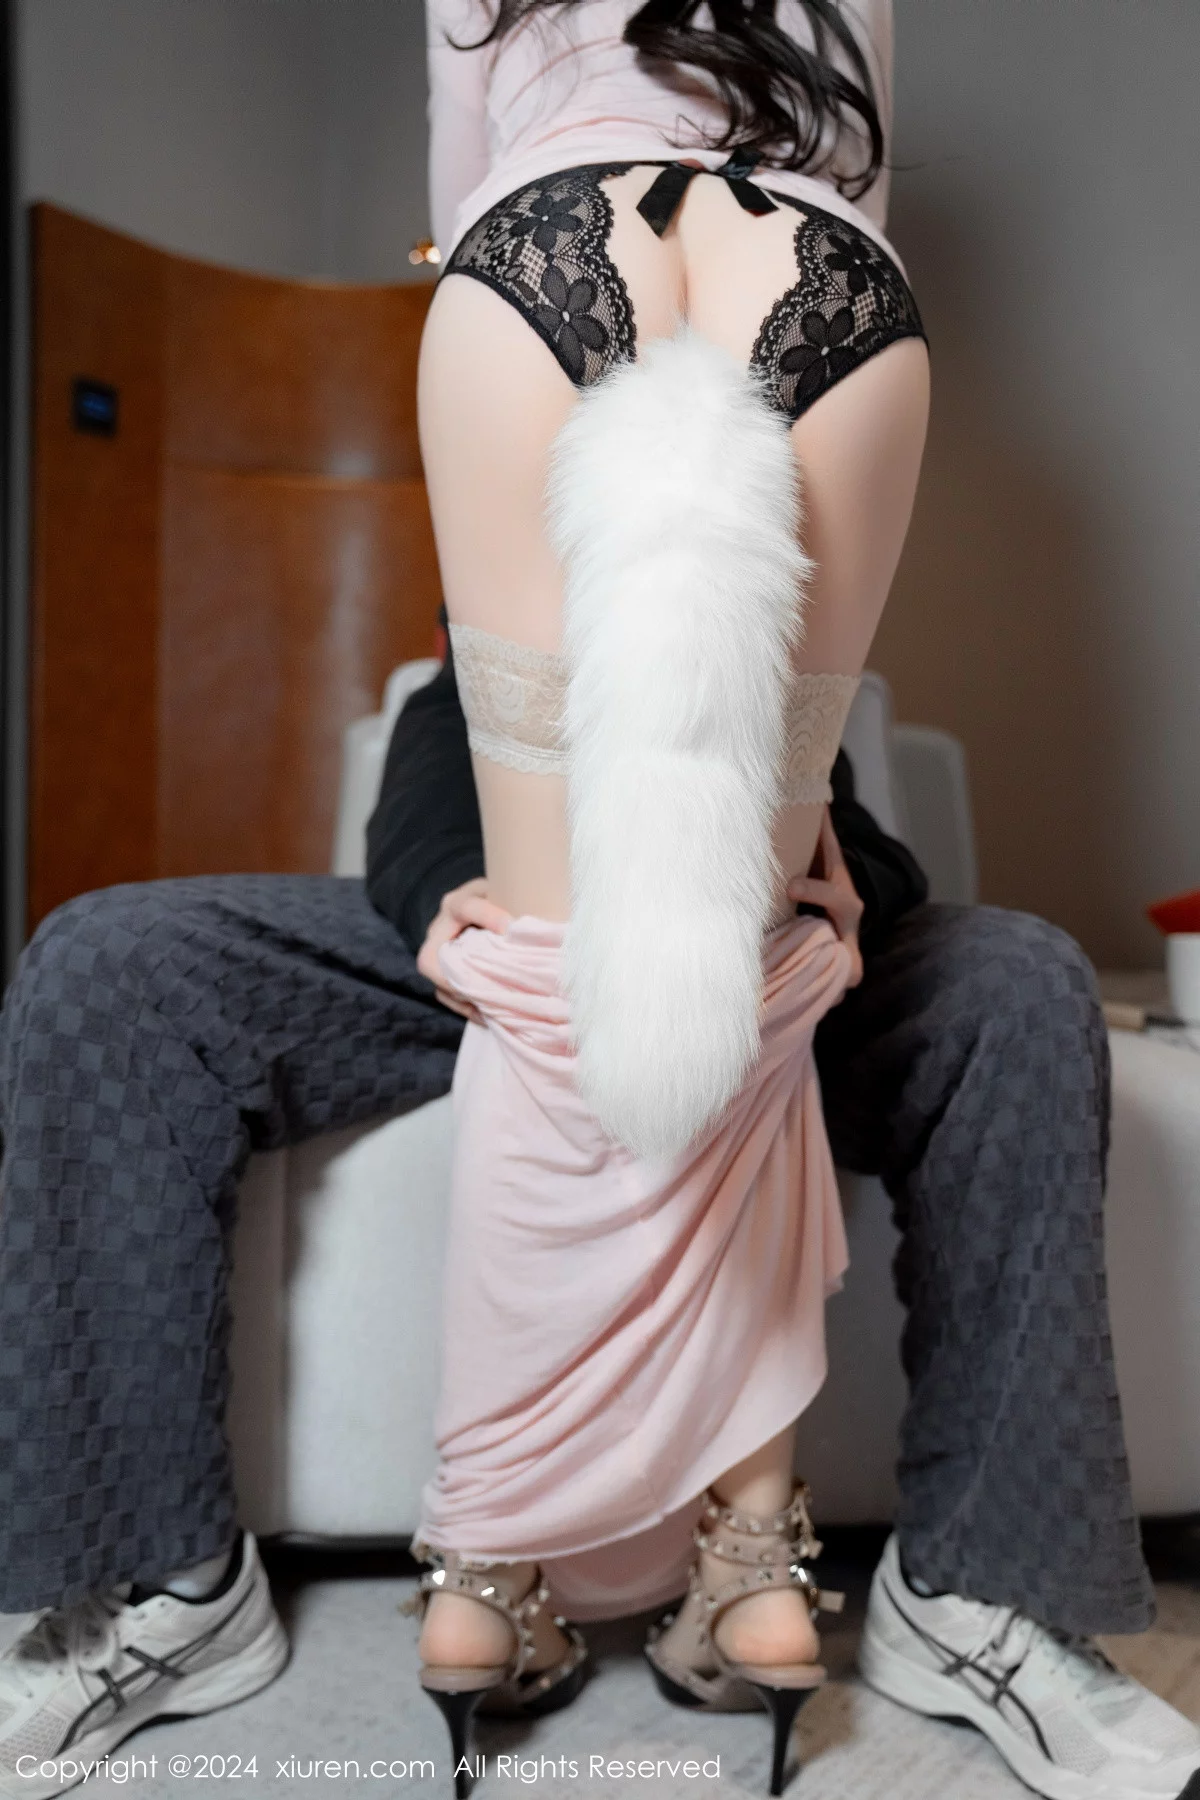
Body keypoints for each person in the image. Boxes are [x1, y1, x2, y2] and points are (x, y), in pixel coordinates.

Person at [0, 5, 1194, 1800]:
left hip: (716, 922)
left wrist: (831, 894)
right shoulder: (482, 639)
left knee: (1015, 975)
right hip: (466, 929)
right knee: (108, 958)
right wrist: (457, 901)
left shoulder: (534, 321)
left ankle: (978, 1593)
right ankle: (160, 1585)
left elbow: (848, 838)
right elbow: (430, 785)